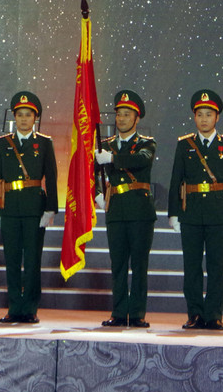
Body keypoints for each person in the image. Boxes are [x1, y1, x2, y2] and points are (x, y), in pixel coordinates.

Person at [167, 89, 223, 331]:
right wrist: (174, 214)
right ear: (194, 117)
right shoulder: (184, 145)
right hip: (190, 214)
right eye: (200, 114)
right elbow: (176, 180)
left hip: (218, 214)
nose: (204, 119)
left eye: (209, 114)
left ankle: (214, 315)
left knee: (216, 268)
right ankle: (195, 314)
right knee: (192, 268)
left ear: (217, 117)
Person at [0, 91, 58, 324]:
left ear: (35, 118)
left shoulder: (44, 143)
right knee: (11, 260)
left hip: (34, 209)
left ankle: (30, 308)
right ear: (14, 117)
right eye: (20, 115)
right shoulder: (3, 143)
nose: (24, 119)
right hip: (8, 208)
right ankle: (14, 308)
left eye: (28, 115)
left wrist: (50, 209)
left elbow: (52, 177)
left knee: (32, 261)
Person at [93, 90, 156, 328]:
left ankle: (137, 313)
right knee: (118, 264)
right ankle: (119, 313)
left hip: (140, 211)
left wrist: (112, 159)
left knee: (139, 265)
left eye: (127, 114)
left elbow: (141, 160)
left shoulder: (146, 144)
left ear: (136, 118)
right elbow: (89, 176)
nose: (121, 119)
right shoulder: (104, 146)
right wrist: (97, 195)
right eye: (119, 114)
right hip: (116, 210)